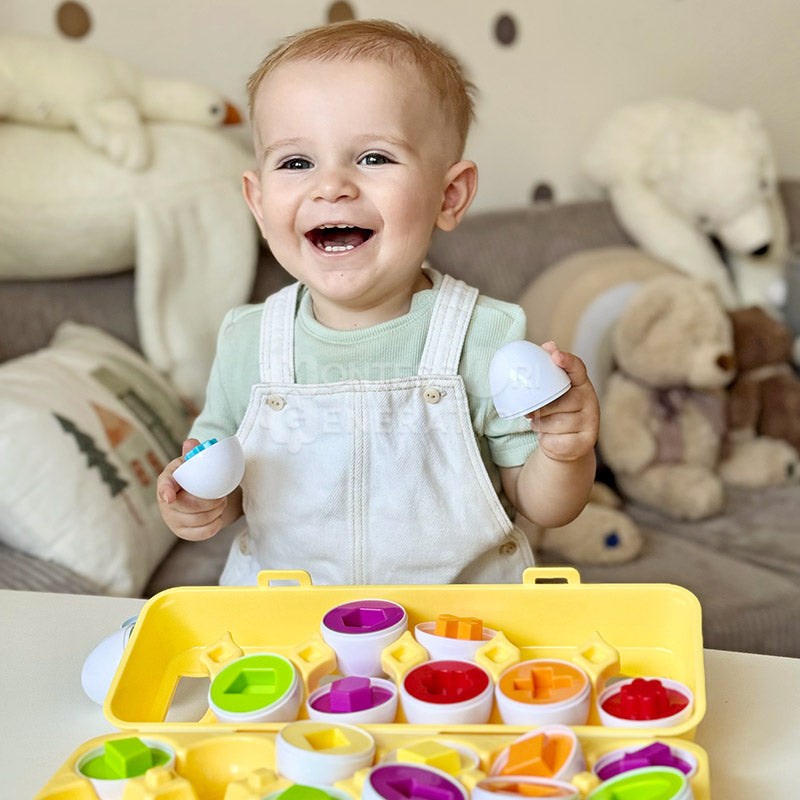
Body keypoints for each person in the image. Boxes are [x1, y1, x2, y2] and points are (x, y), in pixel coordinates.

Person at [157, 19, 599, 586]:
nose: (332, 185)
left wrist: (565, 452)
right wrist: (197, 500)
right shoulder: (248, 340)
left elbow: (545, 507)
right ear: (259, 200)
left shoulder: (484, 335)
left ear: (450, 194)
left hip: (455, 633)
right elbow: (227, 478)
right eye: (296, 163)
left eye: (372, 158)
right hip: (292, 630)